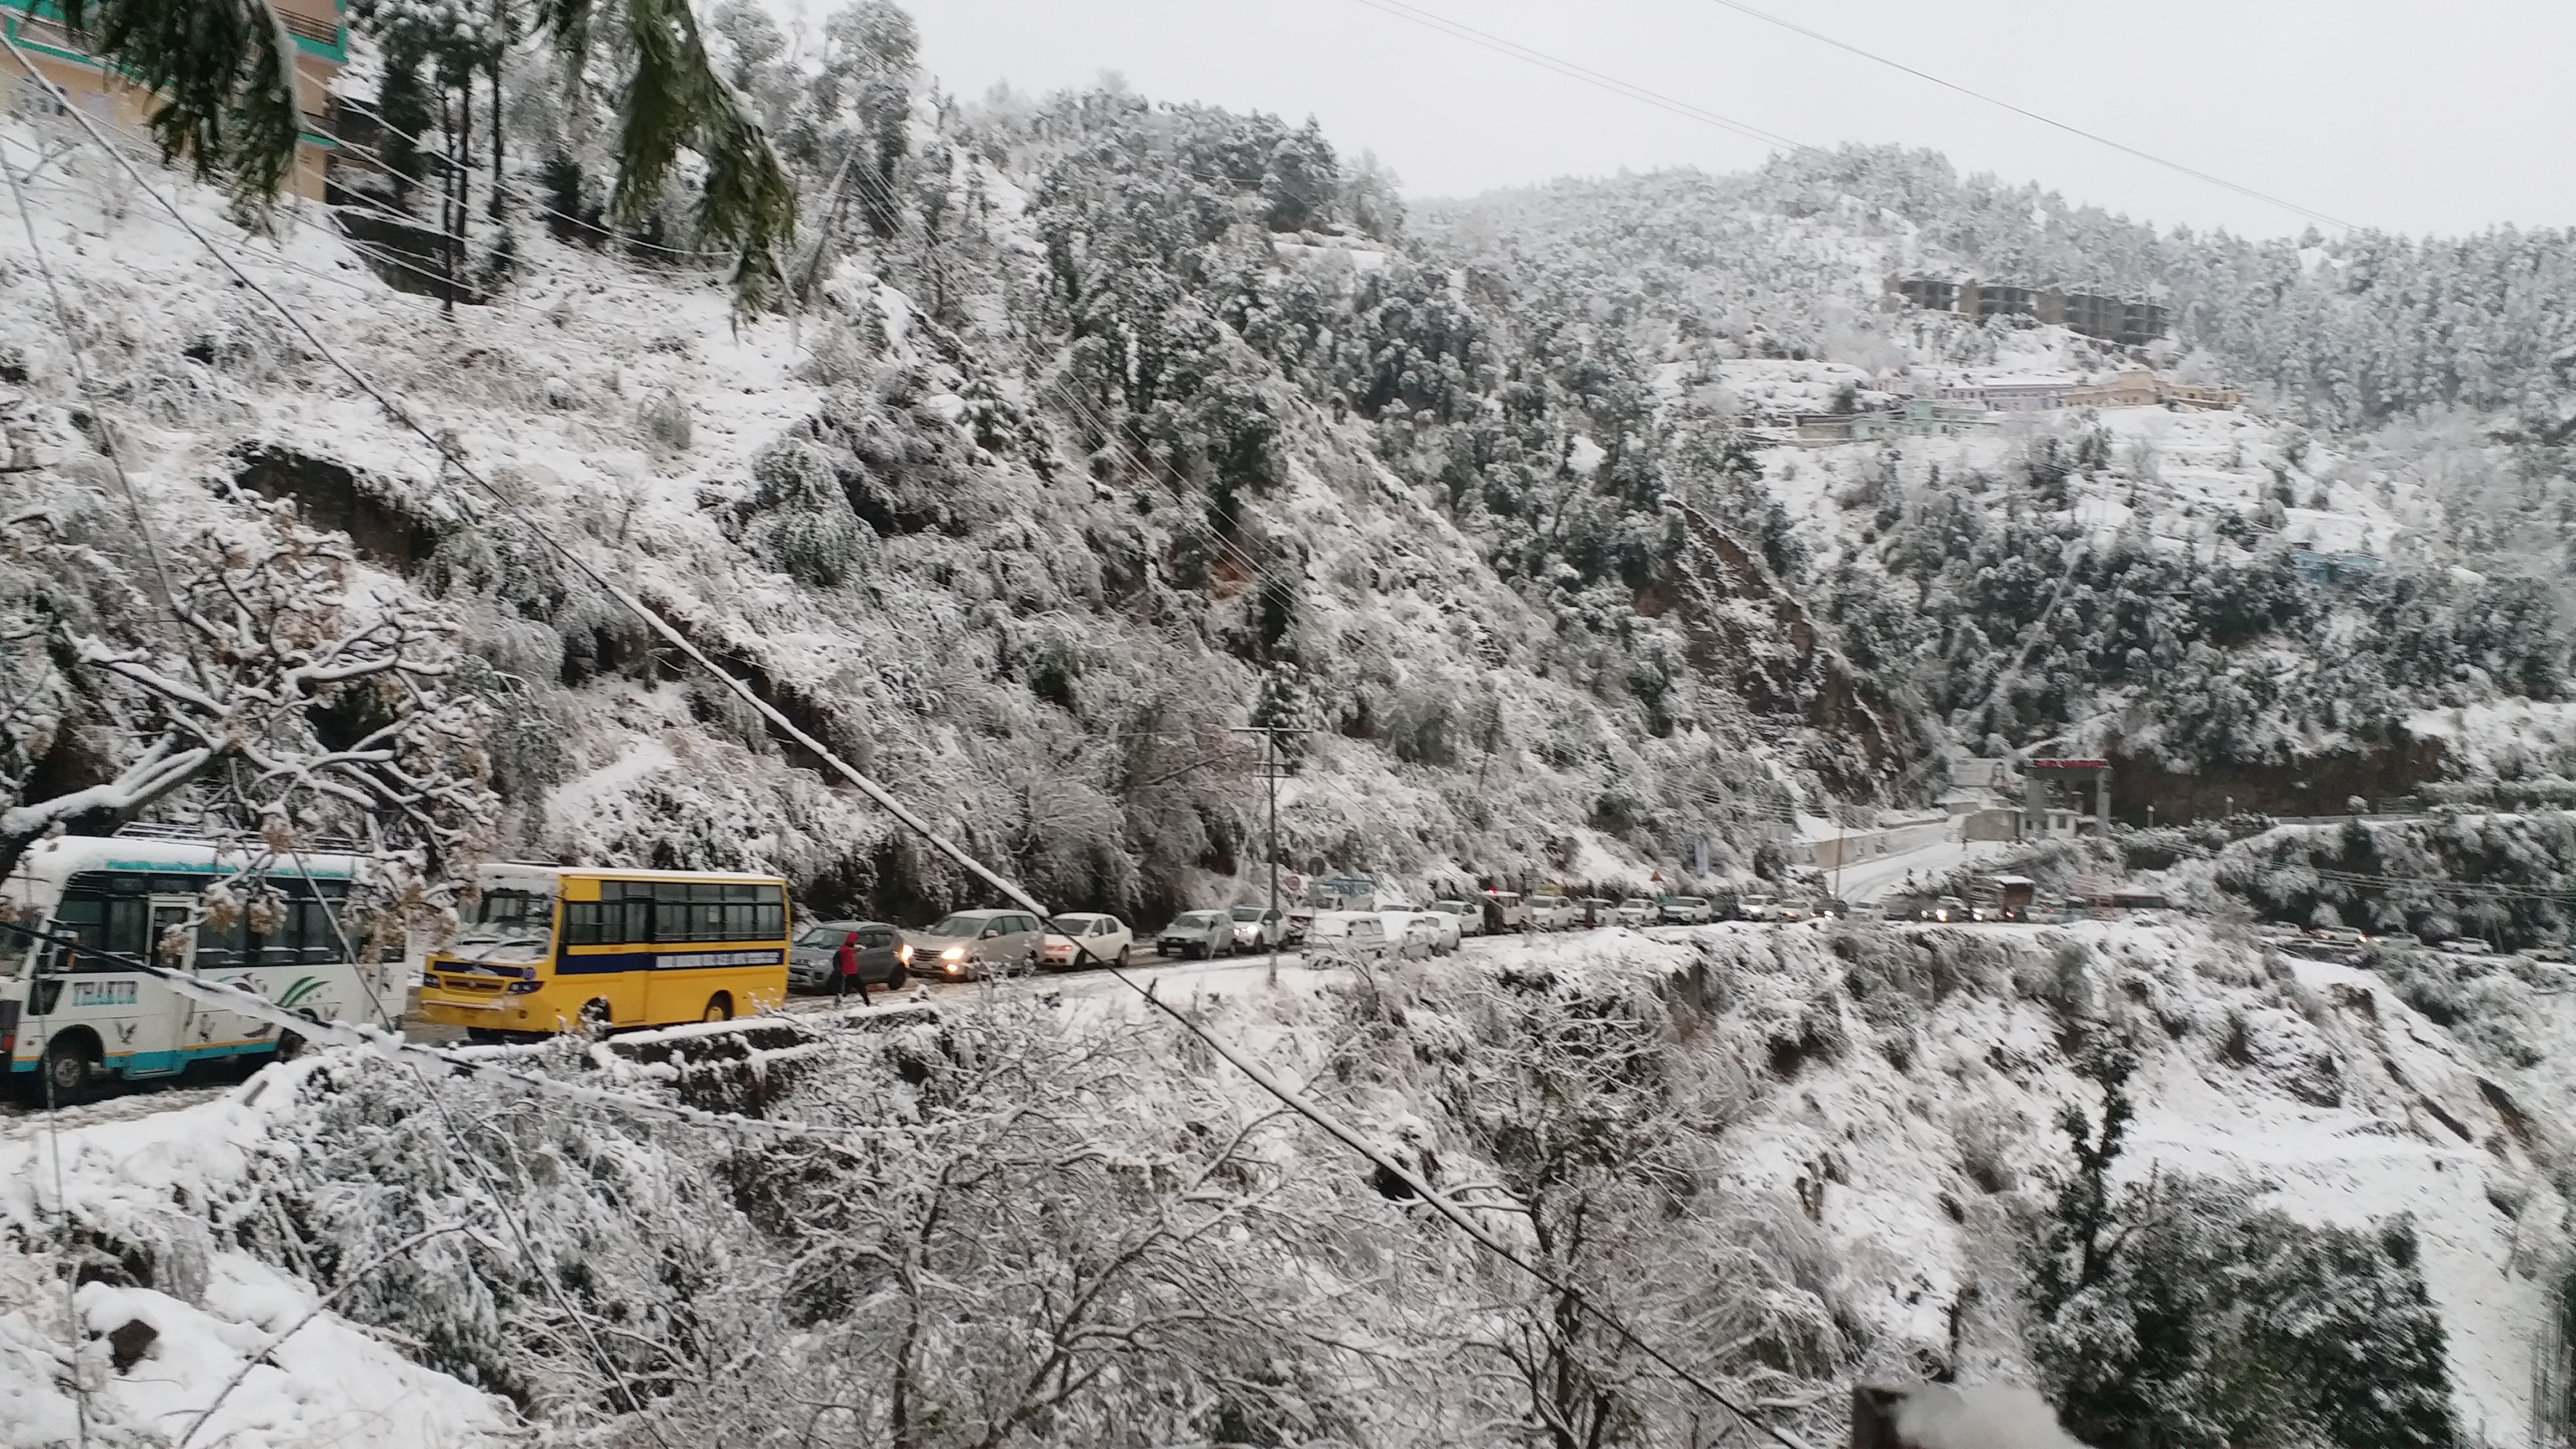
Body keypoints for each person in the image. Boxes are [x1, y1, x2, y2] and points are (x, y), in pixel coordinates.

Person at [835, 930, 870, 1005]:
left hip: (852, 972)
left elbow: (852, 951)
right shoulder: (845, 949)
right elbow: (848, 951)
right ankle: (867, 1002)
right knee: (858, 988)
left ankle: (867, 1002)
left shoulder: (847, 949)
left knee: (854, 988)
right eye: (855, 940)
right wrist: (856, 949)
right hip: (849, 972)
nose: (855, 942)